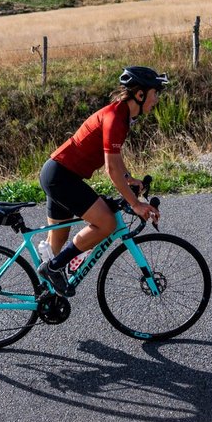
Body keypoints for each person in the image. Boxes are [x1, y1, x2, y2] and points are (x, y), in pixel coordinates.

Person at [36, 66, 166, 295]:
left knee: (55, 247)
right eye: (156, 92)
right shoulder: (116, 118)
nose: (157, 99)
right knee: (107, 223)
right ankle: (54, 269)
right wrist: (135, 204)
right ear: (140, 94)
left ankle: (44, 300)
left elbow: (116, 162)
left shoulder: (121, 116)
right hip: (62, 177)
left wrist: (130, 179)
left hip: (59, 174)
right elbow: (112, 169)